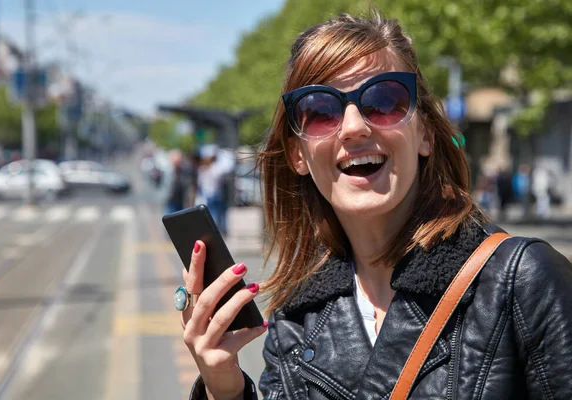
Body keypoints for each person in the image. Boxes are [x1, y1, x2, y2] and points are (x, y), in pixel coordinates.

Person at [176, 8, 572, 399]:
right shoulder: (296, 318)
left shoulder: (522, 280)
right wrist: (223, 388)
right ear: (298, 155)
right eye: (320, 111)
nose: (353, 127)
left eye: (384, 101)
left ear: (424, 135)